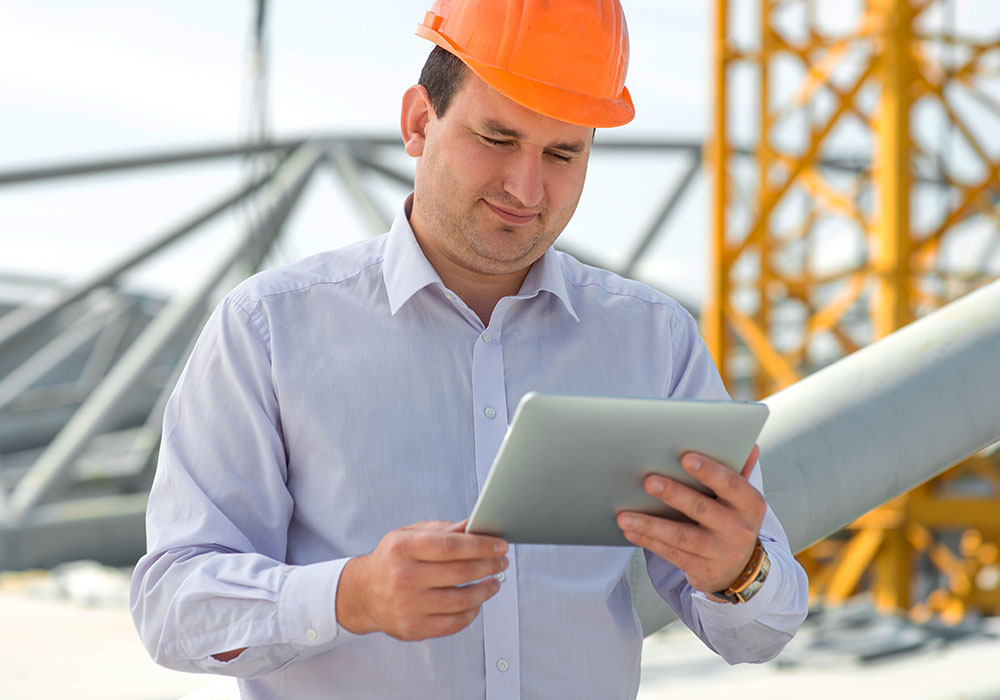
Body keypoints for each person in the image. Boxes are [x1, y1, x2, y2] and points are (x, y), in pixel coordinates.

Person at [130, 1, 809, 698]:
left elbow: (764, 632)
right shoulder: (268, 330)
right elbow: (171, 606)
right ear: (419, 122)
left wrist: (739, 572)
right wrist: (349, 595)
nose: (527, 187)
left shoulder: (653, 340)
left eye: (563, 153)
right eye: (498, 138)